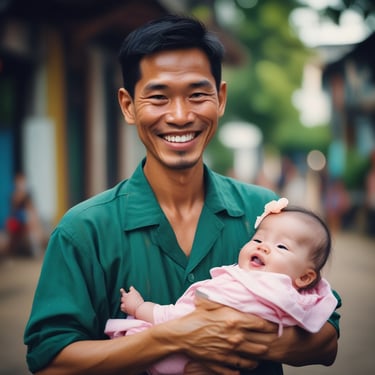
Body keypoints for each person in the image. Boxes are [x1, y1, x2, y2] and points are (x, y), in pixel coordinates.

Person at [24, 15, 341, 375]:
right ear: (128, 106)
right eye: (158, 97)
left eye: (197, 94)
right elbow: (50, 361)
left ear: (220, 99)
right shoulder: (83, 231)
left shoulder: (264, 214)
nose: (179, 115)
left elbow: (327, 340)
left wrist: (225, 337)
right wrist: (174, 337)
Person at [106, 198, 337, 374]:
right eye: (257, 239)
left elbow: (183, 321)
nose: (264, 247)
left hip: (177, 357)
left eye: (282, 247)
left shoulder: (246, 290)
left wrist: (141, 308)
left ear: (306, 278)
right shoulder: (295, 296)